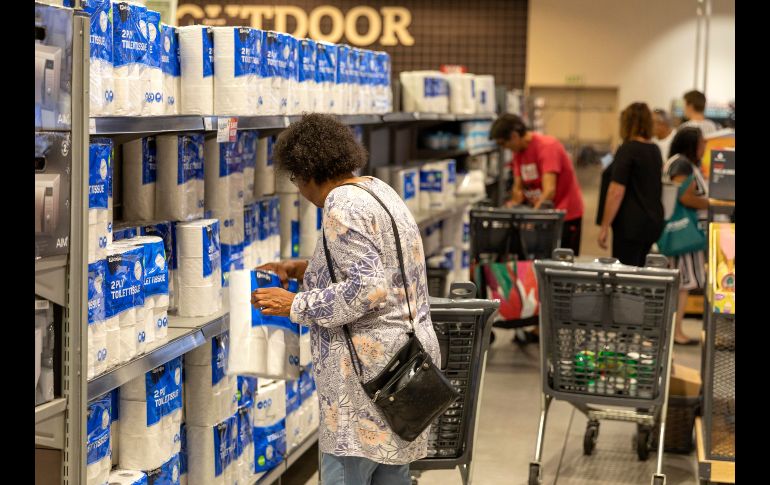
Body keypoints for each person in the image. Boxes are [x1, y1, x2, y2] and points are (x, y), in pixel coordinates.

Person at [250, 113, 441, 485]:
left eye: (294, 178)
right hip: (405, 365)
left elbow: (367, 290)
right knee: (391, 474)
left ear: (306, 171)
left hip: (368, 377)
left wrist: (294, 305)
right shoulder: (378, 190)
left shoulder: (342, 203)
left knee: (347, 472)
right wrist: (303, 268)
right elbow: (383, 268)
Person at [490, 114, 585, 255]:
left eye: (504, 144)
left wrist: (532, 217)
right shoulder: (518, 152)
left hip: (564, 215)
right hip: (541, 214)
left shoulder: (547, 147)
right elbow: (518, 186)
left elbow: (549, 191)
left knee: (562, 263)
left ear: (515, 136)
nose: (506, 148)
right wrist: (513, 204)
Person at [597, 102, 664, 266]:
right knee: (640, 271)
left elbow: (616, 191)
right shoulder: (654, 150)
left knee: (625, 275)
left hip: (630, 226)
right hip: (651, 223)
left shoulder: (628, 150)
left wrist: (605, 226)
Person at [666, 127, 709, 345]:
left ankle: (676, 330)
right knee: (682, 283)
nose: (705, 147)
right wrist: (710, 204)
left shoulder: (681, 163)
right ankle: (676, 331)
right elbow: (684, 197)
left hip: (686, 234)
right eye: (702, 143)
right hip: (684, 234)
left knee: (683, 283)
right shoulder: (682, 165)